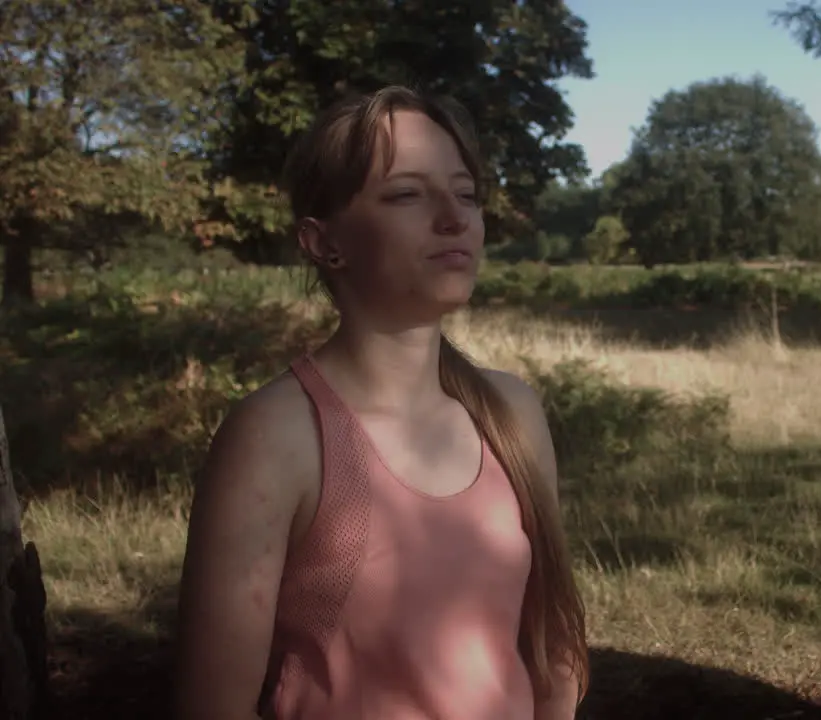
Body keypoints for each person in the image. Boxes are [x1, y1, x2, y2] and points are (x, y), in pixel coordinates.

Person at [172, 85, 589, 720]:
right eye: (406, 194)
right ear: (321, 242)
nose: (454, 217)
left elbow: (553, 650)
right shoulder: (275, 435)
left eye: (467, 194)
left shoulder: (511, 411)